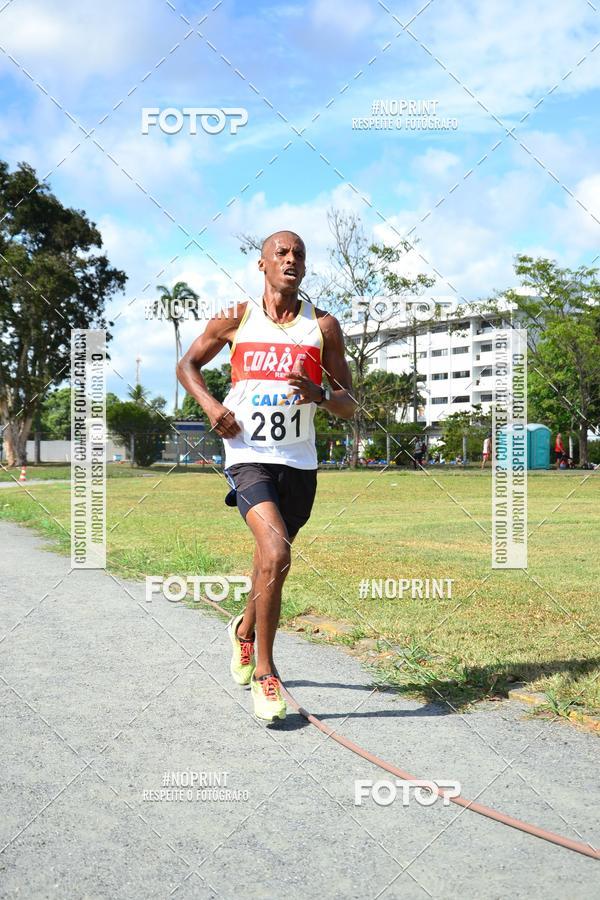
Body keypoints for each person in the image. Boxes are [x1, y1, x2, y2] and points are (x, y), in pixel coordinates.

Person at [177, 231, 356, 722]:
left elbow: (348, 403)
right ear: (262, 265)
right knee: (275, 551)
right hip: (246, 454)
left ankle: (241, 631)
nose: (290, 259)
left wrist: (319, 394)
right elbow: (188, 364)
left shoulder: (323, 327)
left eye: (299, 253)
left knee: (271, 563)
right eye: (281, 253)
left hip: (299, 463)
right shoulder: (237, 318)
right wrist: (212, 405)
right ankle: (266, 673)